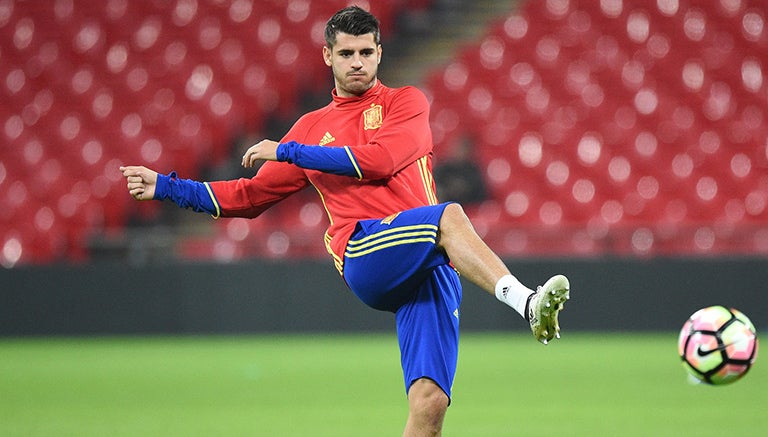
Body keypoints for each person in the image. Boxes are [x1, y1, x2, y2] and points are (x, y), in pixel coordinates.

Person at [120, 6, 570, 436]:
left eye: (366, 52)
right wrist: (166, 186)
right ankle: (527, 305)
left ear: (379, 52)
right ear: (327, 56)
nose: (357, 62)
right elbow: (249, 196)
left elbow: (380, 161)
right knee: (449, 216)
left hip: (430, 265)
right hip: (365, 250)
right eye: (346, 53)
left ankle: (524, 307)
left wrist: (288, 151)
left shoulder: (406, 104)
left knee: (430, 405)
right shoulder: (312, 127)